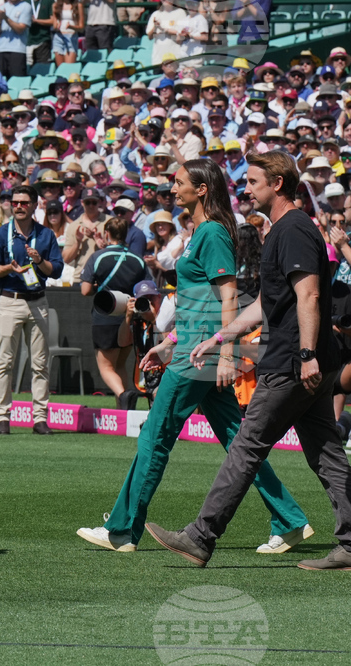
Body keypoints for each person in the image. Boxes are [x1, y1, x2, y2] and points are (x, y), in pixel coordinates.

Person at [77, 158, 312, 555]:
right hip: (195, 349)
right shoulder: (203, 231)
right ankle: (289, 519)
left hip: (200, 357)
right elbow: (199, 300)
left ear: (201, 189)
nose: (173, 188)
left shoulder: (213, 232)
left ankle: (122, 530)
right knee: (239, 442)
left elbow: (228, 294)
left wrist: (226, 354)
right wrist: (169, 341)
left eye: (179, 182)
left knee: (155, 437)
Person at [145, 152, 351, 570]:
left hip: (293, 362)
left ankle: (200, 536)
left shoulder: (292, 229)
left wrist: (307, 355)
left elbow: (309, 295)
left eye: (253, 182)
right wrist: (222, 336)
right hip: (304, 360)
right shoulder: (281, 230)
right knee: (327, 453)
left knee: (246, 447)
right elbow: (264, 302)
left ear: (277, 183)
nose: (246, 189)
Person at [0, 184, 64, 435]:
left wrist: (39, 261)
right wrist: (8, 268)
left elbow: (57, 270)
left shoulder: (46, 235)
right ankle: (2, 417)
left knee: (40, 363)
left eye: (24, 203)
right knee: (4, 361)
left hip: (38, 300)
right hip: (10, 300)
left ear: (34, 205)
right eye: (15, 202)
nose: (18, 206)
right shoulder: (1, 235)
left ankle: (40, 418)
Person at [79, 216, 147, 407]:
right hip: (130, 315)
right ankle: (123, 409)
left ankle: (123, 395)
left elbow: (85, 290)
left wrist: (96, 287)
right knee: (120, 365)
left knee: (106, 367)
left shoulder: (98, 257)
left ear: (107, 233)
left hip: (105, 315)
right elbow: (146, 289)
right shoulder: (137, 259)